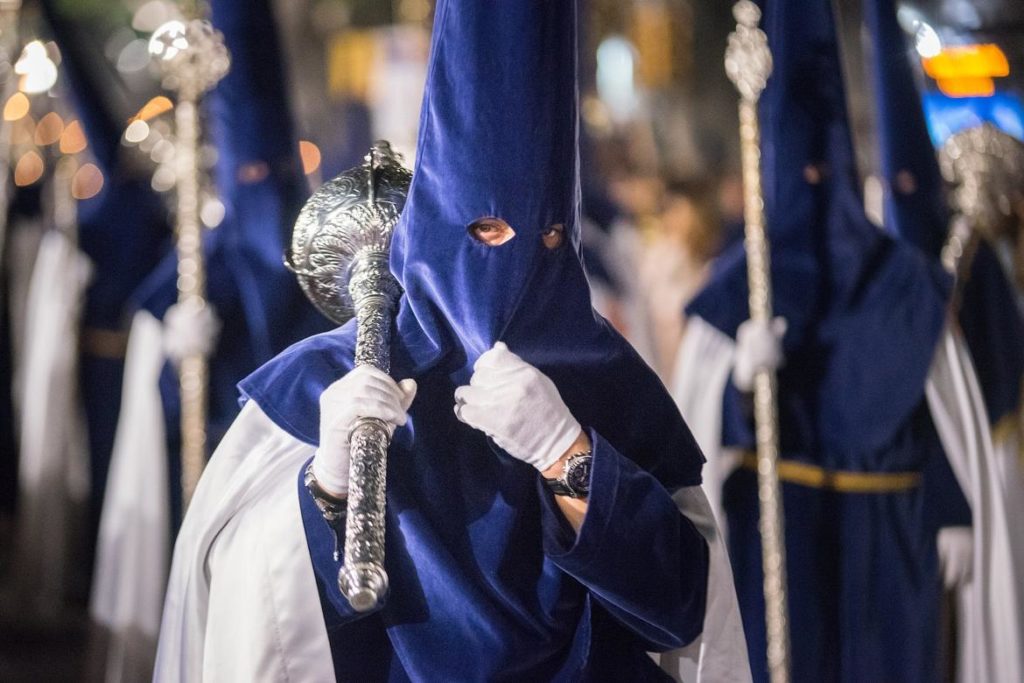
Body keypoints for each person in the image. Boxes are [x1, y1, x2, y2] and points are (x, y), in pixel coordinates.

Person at [155, 1, 750, 680]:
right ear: (434, 233)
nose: (517, 258)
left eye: (548, 237)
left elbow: (681, 610)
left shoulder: (608, 376)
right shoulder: (328, 377)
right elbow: (244, 613)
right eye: (486, 231)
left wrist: (568, 455)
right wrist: (326, 487)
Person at [673, 0, 1023, 680]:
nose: (814, 184)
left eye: (825, 170)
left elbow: (938, 406)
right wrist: (739, 382)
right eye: (800, 172)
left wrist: (950, 502)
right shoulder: (742, 284)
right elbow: (696, 442)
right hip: (777, 528)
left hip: (892, 536)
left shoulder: (900, 282)